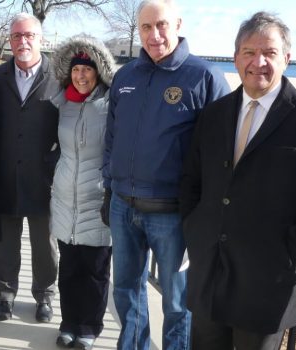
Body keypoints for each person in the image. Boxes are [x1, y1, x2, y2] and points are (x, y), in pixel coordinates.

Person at [179, 12, 296, 350]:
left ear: (286, 59)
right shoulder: (214, 114)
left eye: (269, 53)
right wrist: (195, 228)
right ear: (235, 58)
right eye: (248, 52)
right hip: (209, 273)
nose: (258, 62)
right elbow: (192, 179)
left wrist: (290, 253)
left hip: (267, 284)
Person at [102, 1, 230, 349]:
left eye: (161, 25)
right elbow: (111, 136)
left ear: (177, 24)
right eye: (146, 27)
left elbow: (221, 153)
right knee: (127, 291)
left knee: (177, 302)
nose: (154, 35)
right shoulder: (125, 76)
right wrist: (108, 187)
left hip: (174, 214)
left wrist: (205, 213)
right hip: (122, 206)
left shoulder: (204, 77)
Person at [0, 12, 60, 323]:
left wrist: (54, 166)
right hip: (3, 176)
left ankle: (44, 296)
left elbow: (70, 127)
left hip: (43, 179)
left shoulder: (59, 78)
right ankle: (5, 295)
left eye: (29, 35)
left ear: (40, 39)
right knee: (4, 243)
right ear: (9, 41)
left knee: (45, 245)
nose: (23, 41)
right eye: (17, 36)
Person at [48, 36, 117, 350]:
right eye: (76, 70)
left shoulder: (111, 102)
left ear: (98, 71)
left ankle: (89, 327)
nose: (81, 76)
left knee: (95, 270)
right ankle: (68, 323)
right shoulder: (62, 102)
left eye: (87, 70)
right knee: (69, 268)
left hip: (96, 200)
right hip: (64, 199)